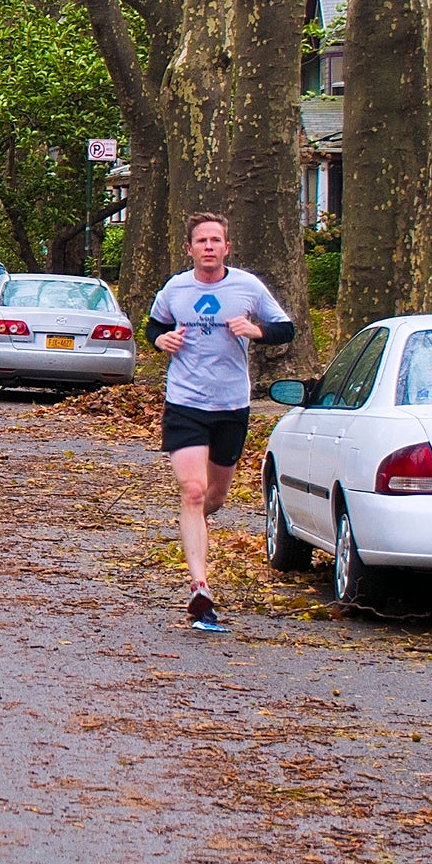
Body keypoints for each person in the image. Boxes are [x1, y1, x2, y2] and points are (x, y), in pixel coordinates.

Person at [144, 212, 295, 631]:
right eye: (201, 241)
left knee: (214, 496)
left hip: (231, 406)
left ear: (226, 248)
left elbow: (287, 329)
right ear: (190, 248)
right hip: (185, 403)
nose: (208, 247)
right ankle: (199, 588)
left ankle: (194, 523)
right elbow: (153, 324)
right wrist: (161, 339)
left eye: (216, 240)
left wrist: (255, 330)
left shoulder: (247, 287)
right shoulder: (176, 288)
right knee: (192, 491)